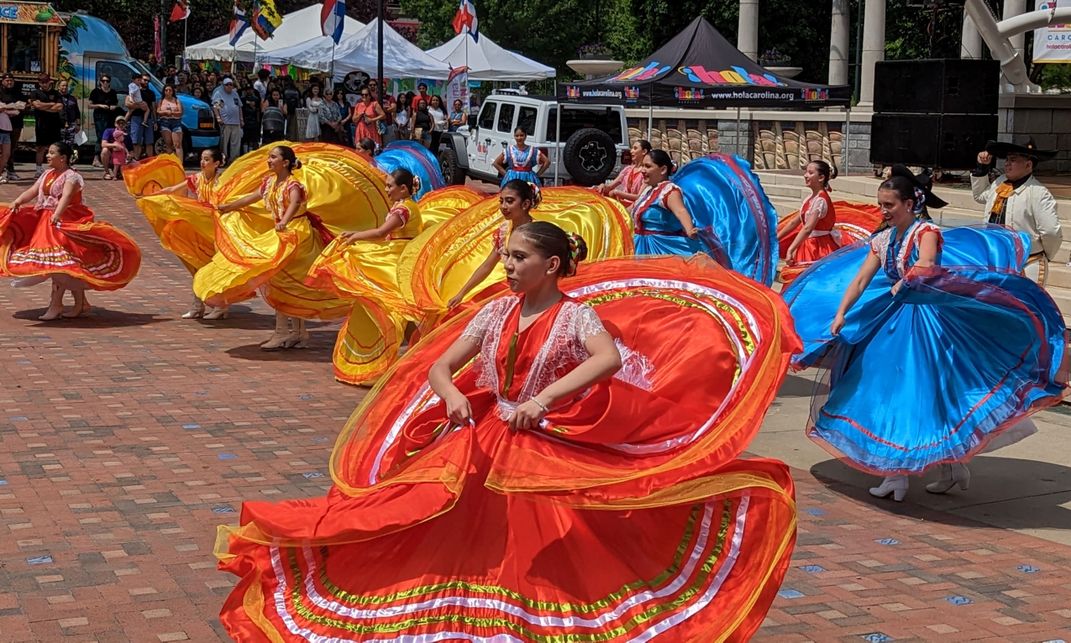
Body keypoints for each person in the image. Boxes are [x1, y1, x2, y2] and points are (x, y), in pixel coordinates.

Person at [215, 222, 800, 642]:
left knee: (537, 544)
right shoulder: (495, 310)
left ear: (552, 265)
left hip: (539, 443)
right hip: (483, 434)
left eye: (519, 257)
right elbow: (442, 365)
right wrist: (451, 396)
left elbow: (608, 359)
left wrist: (544, 399)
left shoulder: (575, 315)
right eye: (507, 256)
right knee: (444, 530)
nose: (508, 265)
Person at [785, 175, 1067, 502]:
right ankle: (931, 470)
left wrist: (906, 282)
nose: (883, 210)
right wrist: (841, 312)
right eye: (880, 204)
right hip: (893, 319)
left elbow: (927, 265)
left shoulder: (925, 232)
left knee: (921, 394)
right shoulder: (883, 239)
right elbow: (861, 280)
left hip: (928, 321)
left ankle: (921, 470)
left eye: (889, 205)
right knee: (897, 393)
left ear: (908, 204)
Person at [194, 145, 349, 350]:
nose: (269, 160)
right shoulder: (269, 182)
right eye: (269, 157)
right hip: (283, 233)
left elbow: (294, 204)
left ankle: (283, 332)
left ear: (285, 162)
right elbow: (251, 197)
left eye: (273, 157)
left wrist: (284, 221)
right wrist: (228, 207)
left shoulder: (293, 184)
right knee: (285, 284)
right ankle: (297, 333)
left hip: (296, 234)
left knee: (284, 283)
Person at [305, 169, 426, 383]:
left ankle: (416, 356)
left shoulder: (403, 210)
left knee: (393, 309)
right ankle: (419, 355)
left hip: (395, 262)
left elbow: (381, 233)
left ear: (403, 188)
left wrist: (355, 237)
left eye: (390, 186)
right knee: (397, 311)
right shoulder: (405, 206)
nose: (386, 189)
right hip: (396, 259)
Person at [0, 142, 141, 319]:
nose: (48, 156)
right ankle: (80, 304)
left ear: (63, 158)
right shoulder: (47, 174)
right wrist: (18, 202)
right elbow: (33, 191)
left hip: (65, 222)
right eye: (48, 153)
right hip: (47, 222)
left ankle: (56, 304)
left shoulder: (72, 177)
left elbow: (66, 197)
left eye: (52, 153)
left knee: (59, 264)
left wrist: (57, 215)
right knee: (66, 265)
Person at [140, 148, 227, 320]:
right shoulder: (197, 178)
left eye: (207, 159)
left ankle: (221, 305)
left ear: (216, 163)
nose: (202, 162)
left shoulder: (221, 181)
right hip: (198, 227)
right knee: (194, 264)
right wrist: (154, 196)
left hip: (215, 229)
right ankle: (198, 305)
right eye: (202, 158)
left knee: (214, 266)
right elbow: (174, 188)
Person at [972, 138, 1061, 285]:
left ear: (1028, 164)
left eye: (1013, 160)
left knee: (1025, 299)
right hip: (996, 258)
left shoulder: (1038, 192)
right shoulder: (999, 183)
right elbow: (980, 195)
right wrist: (982, 168)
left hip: (1027, 262)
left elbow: (1051, 231)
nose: (1007, 163)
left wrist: (1044, 255)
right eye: (1007, 159)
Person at [447, 179, 539, 308]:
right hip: (507, 290)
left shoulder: (536, 234)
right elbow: (487, 266)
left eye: (510, 201)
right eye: (501, 201)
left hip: (529, 295)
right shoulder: (505, 231)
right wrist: (461, 294)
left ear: (525, 204)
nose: (503, 207)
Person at [629, 149, 705, 256]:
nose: (642, 170)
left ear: (663, 170)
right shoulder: (648, 191)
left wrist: (689, 230)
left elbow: (681, 211)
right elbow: (628, 211)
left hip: (661, 248)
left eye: (648, 166)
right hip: (642, 246)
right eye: (642, 166)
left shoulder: (669, 191)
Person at [781, 160, 838, 285]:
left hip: (818, 247)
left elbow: (808, 228)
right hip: (808, 244)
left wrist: (791, 248)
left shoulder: (821, 200)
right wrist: (776, 238)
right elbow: (794, 222)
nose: (805, 175)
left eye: (810, 173)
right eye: (806, 172)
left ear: (821, 178)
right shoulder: (811, 198)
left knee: (811, 282)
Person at [598, 139, 650, 205]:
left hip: (636, 207)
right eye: (632, 148)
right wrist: (603, 186)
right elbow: (610, 187)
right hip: (623, 204)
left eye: (635, 148)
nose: (631, 151)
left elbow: (639, 197)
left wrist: (617, 192)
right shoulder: (628, 170)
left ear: (644, 151)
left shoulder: (646, 172)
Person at [30, 75, 62, 178]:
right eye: (41, 82)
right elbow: (37, 105)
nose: (44, 84)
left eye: (45, 82)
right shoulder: (35, 93)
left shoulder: (56, 93)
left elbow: (59, 107)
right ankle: (38, 169)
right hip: (41, 124)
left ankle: (55, 168)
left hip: (54, 124)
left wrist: (43, 106)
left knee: (55, 147)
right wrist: (51, 104)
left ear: (49, 82)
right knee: (40, 147)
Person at [89, 74, 119, 167]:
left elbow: (116, 104)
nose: (105, 83)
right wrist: (100, 105)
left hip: (111, 116)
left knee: (110, 136)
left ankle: (108, 159)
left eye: (107, 81)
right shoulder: (96, 92)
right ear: (100, 82)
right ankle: (96, 158)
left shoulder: (113, 92)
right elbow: (89, 105)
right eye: (103, 81)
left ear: (109, 82)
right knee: (101, 136)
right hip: (100, 117)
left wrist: (114, 107)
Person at [1, 74, 26, 180]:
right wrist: (12, 107)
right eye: (7, 80)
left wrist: (6, 109)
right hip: (2, 126)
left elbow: (22, 107)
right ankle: (1, 172)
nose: (9, 82)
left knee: (11, 149)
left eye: (11, 80)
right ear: (3, 81)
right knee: (1, 150)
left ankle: (10, 171)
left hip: (16, 124)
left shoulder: (18, 93)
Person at [214, 78, 243, 164]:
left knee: (236, 143)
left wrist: (241, 119)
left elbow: (239, 107)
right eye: (227, 85)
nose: (229, 86)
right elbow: (216, 107)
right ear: (223, 86)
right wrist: (218, 117)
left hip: (236, 122)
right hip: (225, 122)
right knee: (224, 143)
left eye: (231, 84)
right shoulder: (219, 94)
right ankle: (223, 159)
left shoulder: (235, 94)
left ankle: (234, 159)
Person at [125, 74, 152, 161]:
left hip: (148, 118)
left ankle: (149, 161)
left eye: (148, 81)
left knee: (149, 141)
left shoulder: (150, 93)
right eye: (144, 80)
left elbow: (153, 107)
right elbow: (127, 103)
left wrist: (154, 121)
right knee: (136, 141)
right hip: (136, 117)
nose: (146, 82)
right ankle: (136, 160)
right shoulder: (134, 88)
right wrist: (139, 106)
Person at [156, 84, 184, 161]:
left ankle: (180, 163)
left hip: (176, 122)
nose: (168, 92)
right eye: (166, 90)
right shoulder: (161, 101)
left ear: (172, 91)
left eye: (170, 90)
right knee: (168, 144)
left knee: (177, 144)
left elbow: (180, 112)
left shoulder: (177, 100)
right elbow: (158, 111)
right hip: (165, 122)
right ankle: (171, 162)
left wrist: (172, 113)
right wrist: (165, 112)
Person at [57, 79, 81, 152]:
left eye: (66, 85)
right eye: (63, 85)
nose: (65, 87)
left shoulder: (72, 98)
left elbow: (77, 113)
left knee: (70, 146)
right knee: (59, 146)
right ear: (58, 87)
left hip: (71, 126)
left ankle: (68, 158)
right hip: (58, 125)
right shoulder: (55, 97)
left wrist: (78, 125)